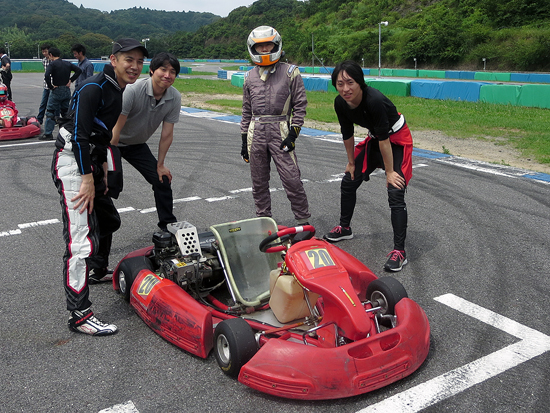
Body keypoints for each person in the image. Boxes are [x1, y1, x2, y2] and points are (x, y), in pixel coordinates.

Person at [50, 38, 147, 336]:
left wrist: (102, 169)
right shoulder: (93, 86)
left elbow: (100, 136)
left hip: (89, 162)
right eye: (128, 59)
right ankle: (79, 315)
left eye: (139, 61)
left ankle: (95, 270)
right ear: (113, 59)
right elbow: (79, 136)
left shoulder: (117, 89)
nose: (134, 66)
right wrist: (88, 179)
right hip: (72, 164)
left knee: (108, 219)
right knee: (80, 242)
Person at [324, 60, 413, 272]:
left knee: (395, 191)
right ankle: (345, 228)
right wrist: (351, 162)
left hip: (396, 141)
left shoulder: (374, 100)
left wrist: (390, 172)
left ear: (360, 82)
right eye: (339, 84)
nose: (345, 89)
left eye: (350, 82)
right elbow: (347, 133)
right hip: (376, 139)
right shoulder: (340, 103)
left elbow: (385, 140)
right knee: (348, 181)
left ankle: (399, 251)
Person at [240, 26, 310, 226]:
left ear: (276, 45)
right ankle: (264, 222)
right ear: (253, 48)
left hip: (281, 129)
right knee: (259, 182)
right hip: (256, 131)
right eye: (260, 46)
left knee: (292, 179)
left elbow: (300, 105)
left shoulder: (290, 72)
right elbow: (246, 111)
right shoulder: (248, 77)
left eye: (268, 45)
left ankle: (303, 221)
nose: (264, 50)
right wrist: (244, 140)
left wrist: (293, 134)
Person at [111, 52, 180, 231]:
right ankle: (101, 224)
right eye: (163, 70)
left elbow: (167, 134)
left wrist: (161, 164)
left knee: (162, 179)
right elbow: (116, 128)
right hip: (113, 142)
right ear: (151, 71)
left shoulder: (174, 97)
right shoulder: (133, 90)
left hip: (136, 145)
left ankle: (167, 225)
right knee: (111, 182)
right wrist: (109, 157)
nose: (167, 75)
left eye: (172, 72)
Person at [40, 47, 82, 141]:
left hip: (57, 89)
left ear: (51, 55)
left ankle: (48, 134)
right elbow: (79, 70)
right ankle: (68, 131)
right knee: (66, 112)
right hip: (66, 89)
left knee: (51, 111)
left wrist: (50, 86)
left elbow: (47, 75)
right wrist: (71, 80)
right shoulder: (67, 63)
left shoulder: (53, 64)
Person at [37, 44, 51, 125]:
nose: (44, 53)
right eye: (43, 52)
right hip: (46, 85)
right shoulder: (44, 60)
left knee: (52, 104)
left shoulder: (53, 60)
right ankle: (39, 119)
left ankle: (55, 119)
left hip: (53, 86)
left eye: (45, 51)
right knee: (43, 103)